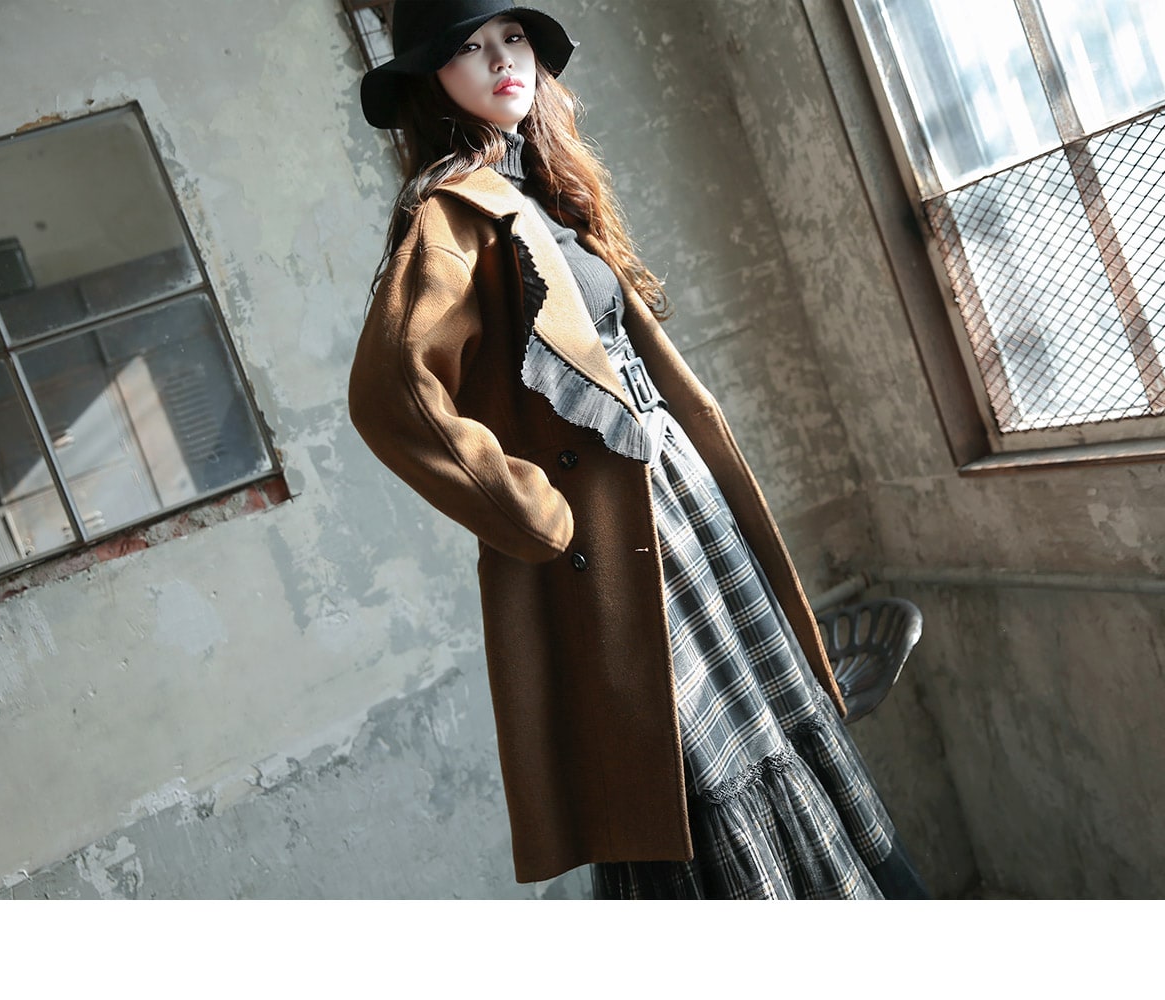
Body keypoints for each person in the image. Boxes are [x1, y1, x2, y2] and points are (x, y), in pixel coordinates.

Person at [349, 0, 927, 899]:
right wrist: (534, 513)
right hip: (619, 538)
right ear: (434, 80)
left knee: (758, 720)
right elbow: (391, 394)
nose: (503, 60)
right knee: (689, 769)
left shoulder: (537, 185)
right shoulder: (450, 215)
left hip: (681, 508)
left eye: (513, 38)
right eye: (470, 48)